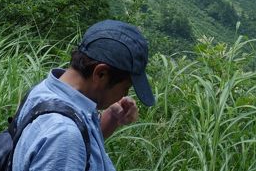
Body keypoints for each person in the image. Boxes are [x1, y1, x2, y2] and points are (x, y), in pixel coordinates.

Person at [12, 20, 155, 171]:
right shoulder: (64, 136)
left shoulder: (46, 91)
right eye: (126, 87)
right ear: (101, 74)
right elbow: (68, 143)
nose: (124, 95)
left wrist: (112, 117)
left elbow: (83, 145)